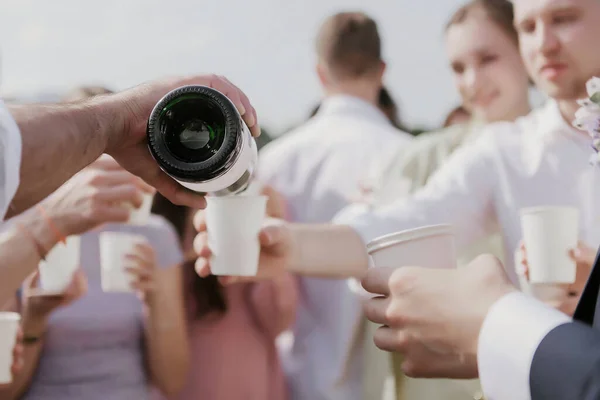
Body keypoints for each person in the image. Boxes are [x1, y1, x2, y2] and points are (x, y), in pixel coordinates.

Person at [194, 0, 600, 398]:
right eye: (528, 27)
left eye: (563, 18)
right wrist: (289, 245)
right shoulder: (507, 150)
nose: (543, 42)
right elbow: (410, 221)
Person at [362, 1, 530, 398]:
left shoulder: (579, 152)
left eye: (487, 58)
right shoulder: (418, 160)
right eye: (457, 68)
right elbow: (375, 264)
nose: (472, 81)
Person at [256, 12, 413, 400]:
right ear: (382, 70)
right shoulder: (408, 156)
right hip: (384, 379)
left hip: (297, 376)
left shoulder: (275, 161)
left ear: (320, 72)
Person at [0, 74, 258, 300]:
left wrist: (155, 299)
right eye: (88, 154)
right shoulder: (16, 224)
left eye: (106, 152)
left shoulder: (154, 233)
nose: (101, 166)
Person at [0, 156, 188, 400]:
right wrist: (34, 319)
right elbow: (7, 391)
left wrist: (155, 299)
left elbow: (172, 384)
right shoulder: (25, 232)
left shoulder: (155, 234)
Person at [150, 189, 296, 400]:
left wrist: (267, 239)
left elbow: (280, 319)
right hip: (181, 380)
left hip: (248, 383)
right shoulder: (159, 202)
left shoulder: (255, 199)